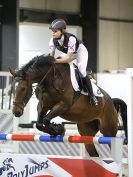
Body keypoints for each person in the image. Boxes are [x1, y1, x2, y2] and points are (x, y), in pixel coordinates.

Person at [48, 19, 98, 106]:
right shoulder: (52, 40)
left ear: (62, 31)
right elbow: (51, 56)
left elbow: (68, 59)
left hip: (80, 52)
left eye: (55, 31)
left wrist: (54, 61)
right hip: (68, 53)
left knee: (82, 71)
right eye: (52, 31)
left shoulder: (71, 39)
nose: (53, 33)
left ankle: (92, 96)